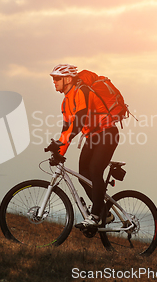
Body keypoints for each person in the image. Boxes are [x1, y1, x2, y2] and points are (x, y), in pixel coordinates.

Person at [50, 64, 119, 227]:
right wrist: (58, 150)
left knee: (95, 169)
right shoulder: (65, 102)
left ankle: (95, 215)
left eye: (57, 78)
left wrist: (60, 143)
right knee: (83, 176)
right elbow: (66, 130)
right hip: (93, 136)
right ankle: (104, 213)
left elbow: (80, 120)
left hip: (107, 133)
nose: (54, 82)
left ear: (67, 79)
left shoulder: (81, 91)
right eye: (53, 79)